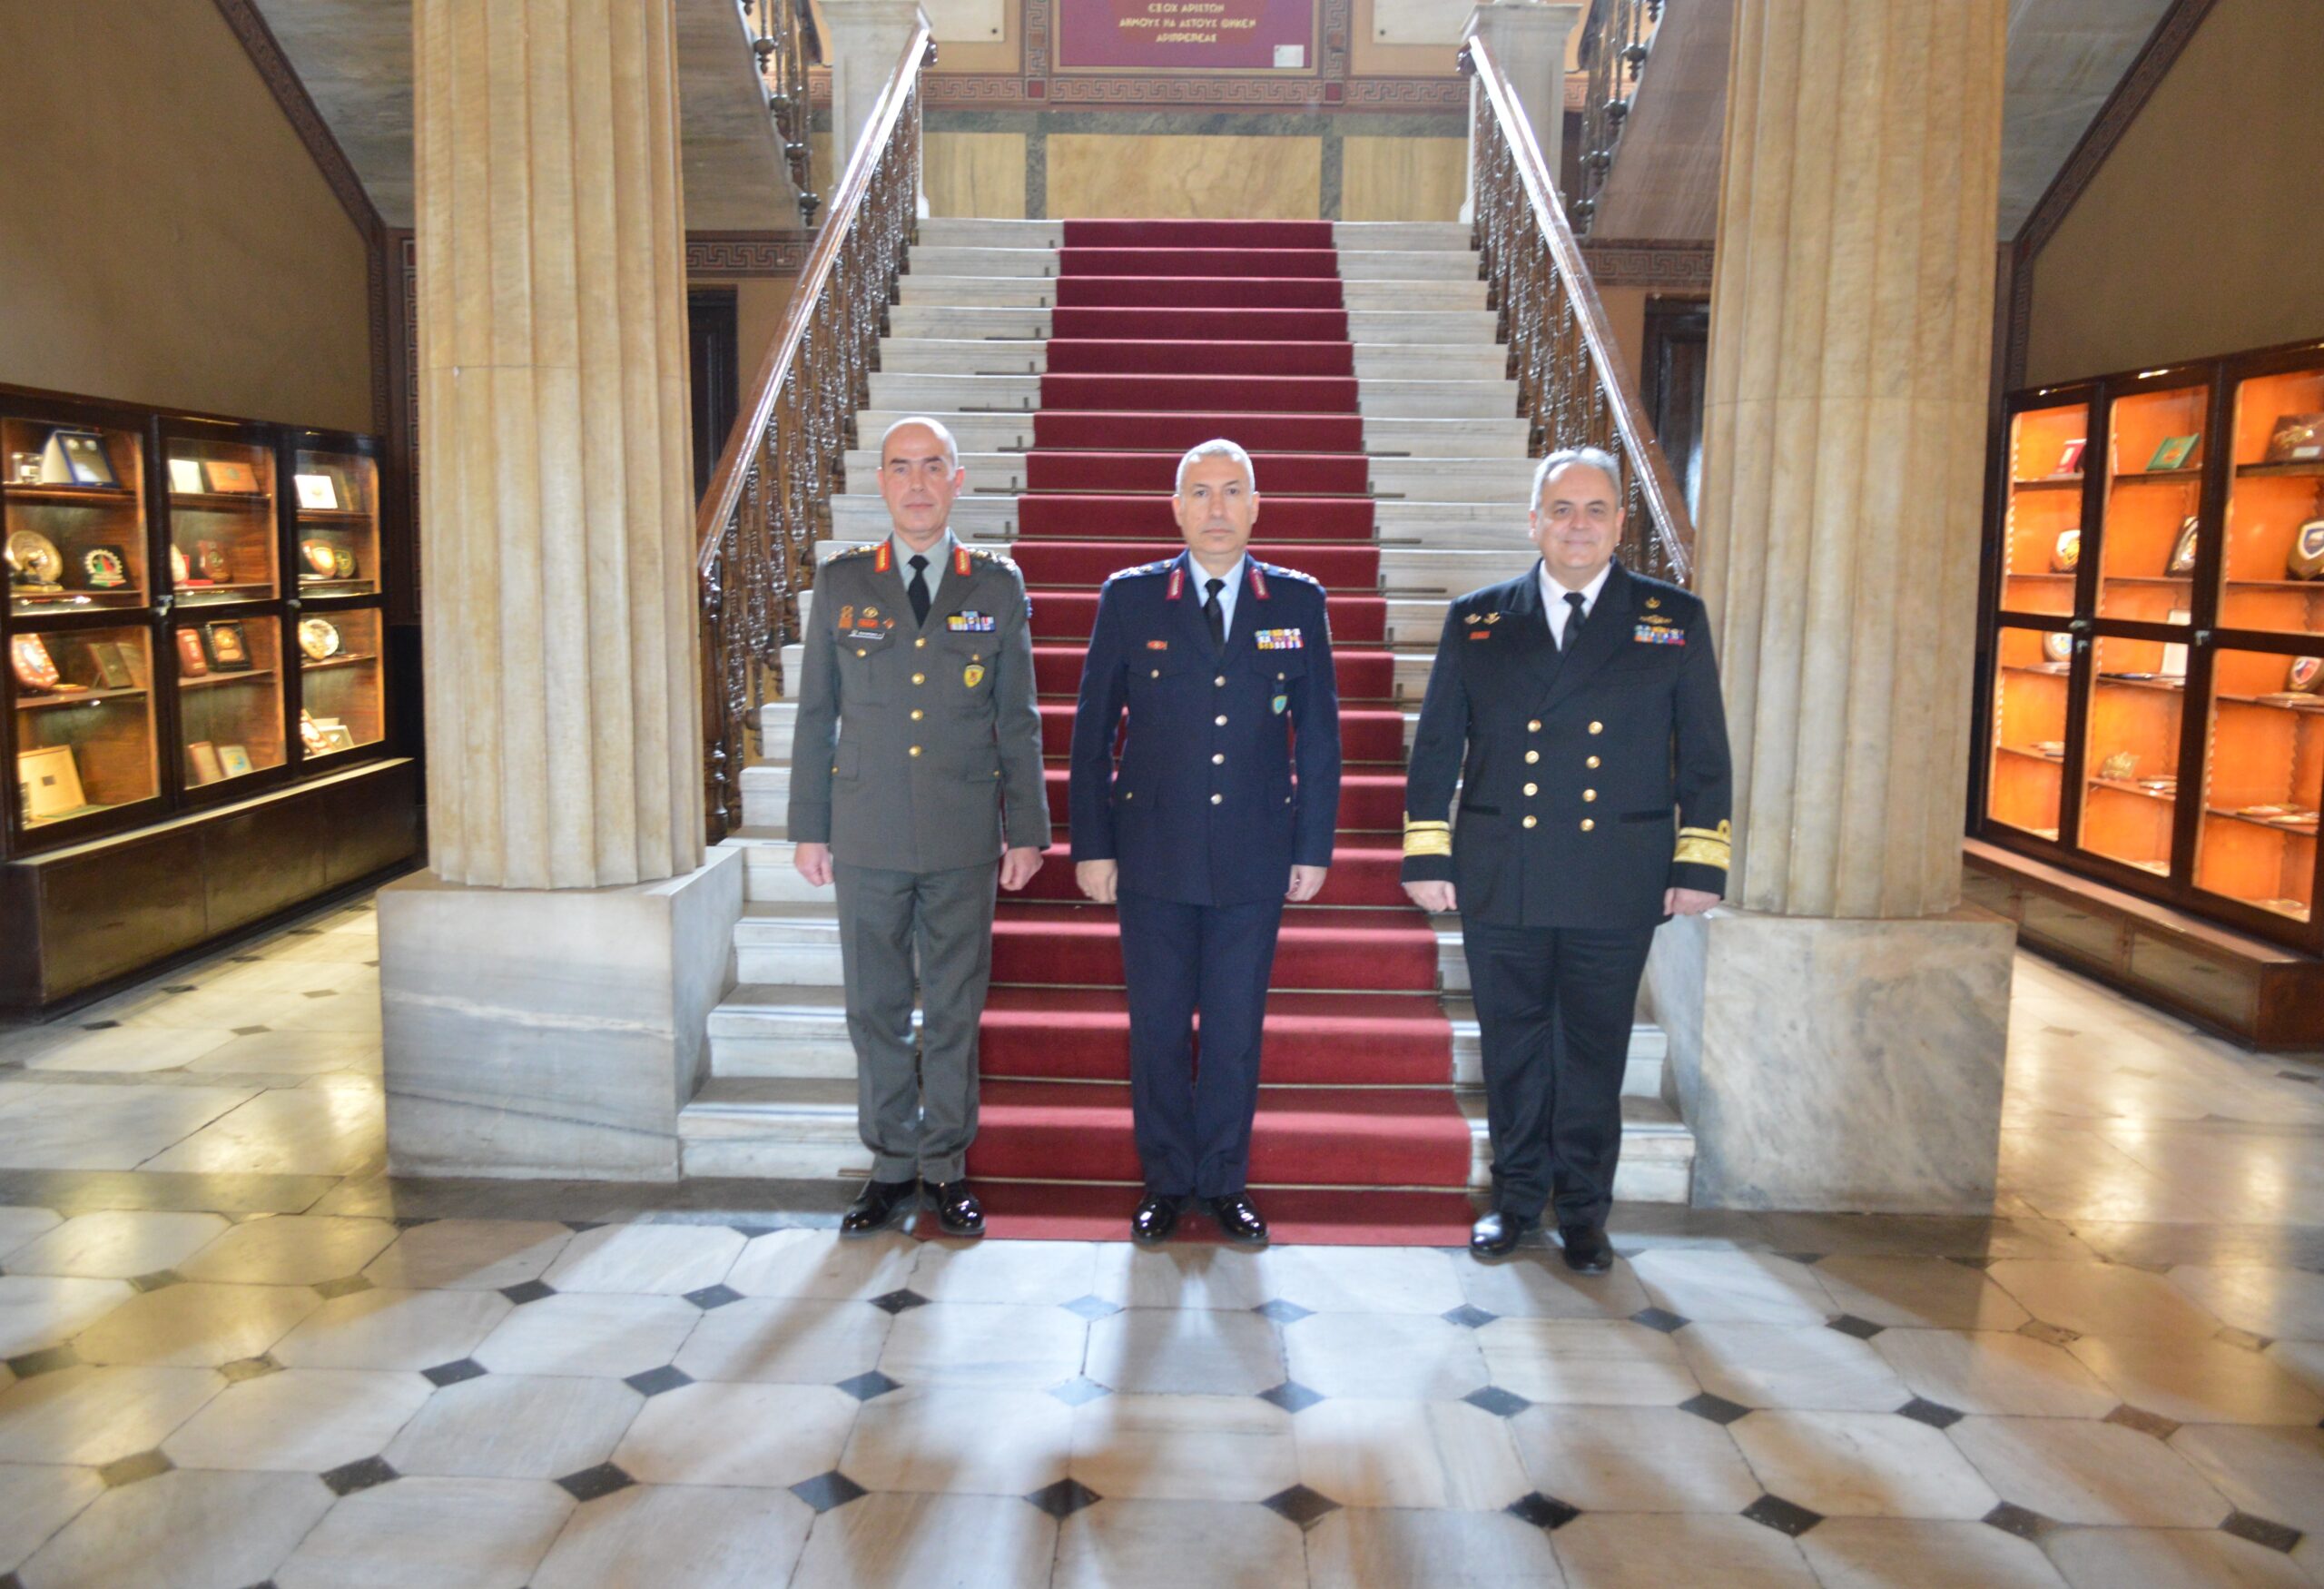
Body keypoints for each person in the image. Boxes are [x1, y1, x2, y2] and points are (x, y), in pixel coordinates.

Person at [1402, 446, 1731, 1271]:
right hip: (1502, 867)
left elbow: (1704, 753)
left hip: (1615, 871)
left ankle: (1584, 1210)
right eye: (1560, 509)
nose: (1577, 525)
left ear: (1620, 523)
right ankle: (1515, 1201)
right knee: (1512, 1045)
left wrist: (1698, 864)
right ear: (1534, 522)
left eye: (1593, 510)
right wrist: (1428, 853)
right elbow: (1437, 746)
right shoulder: (1479, 619)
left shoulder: (1671, 618)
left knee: (1592, 1049)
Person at [1068, 439, 1342, 1246]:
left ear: (1256, 506)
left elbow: (1320, 737)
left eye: (1231, 492)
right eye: (1200, 493)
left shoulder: (1295, 601)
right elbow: (1091, 734)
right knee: (1157, 1028)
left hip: (1254, 853)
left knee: (1233, 1030)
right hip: (1151, 853)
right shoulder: (1131, 598)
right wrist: (1093, 845)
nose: (1216, 509)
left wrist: (1312, 846)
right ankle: (1165, 1181)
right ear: (1176, 508)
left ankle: (1222, 1180)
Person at [788, 416, 1049, 1239]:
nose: (917, 484)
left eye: (933, 467)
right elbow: (816, 714)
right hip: (866, 830)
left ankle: (944, 1165)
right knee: (875, 1005)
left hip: (961, 830)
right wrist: (809, 827)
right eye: (901, 467)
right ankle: (891, 1164)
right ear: (882, 482)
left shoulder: (995, 586)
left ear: (957, 481)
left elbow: (1019, 720)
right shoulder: (843, 584)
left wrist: (1027, 829)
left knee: (952, 1007)